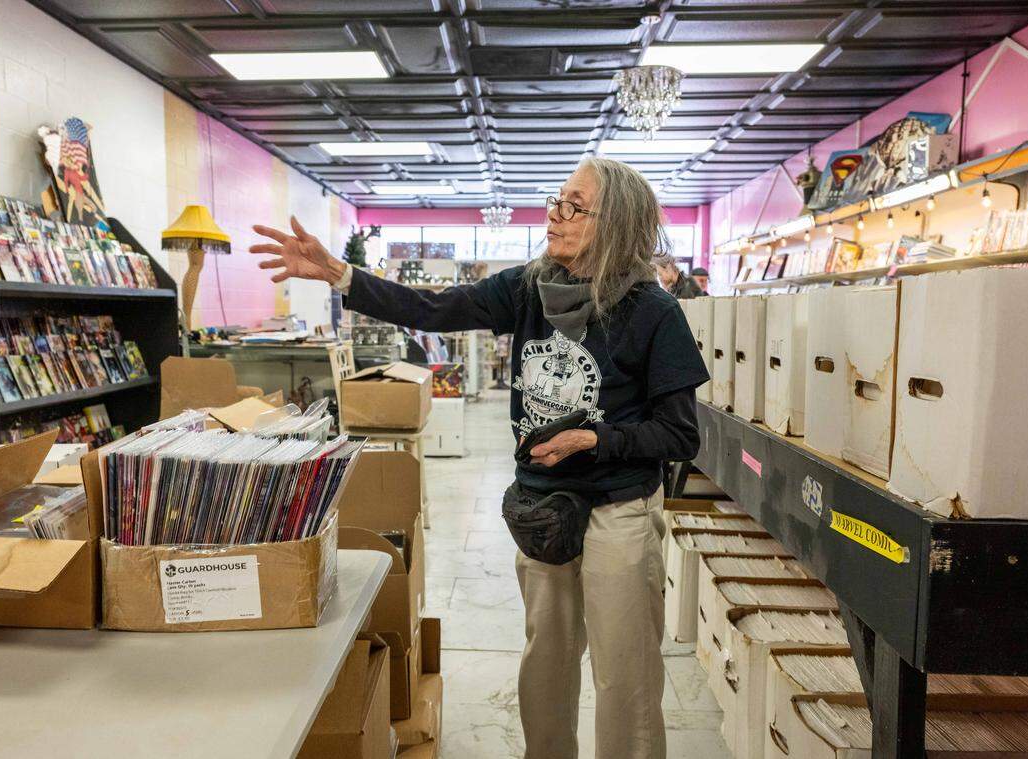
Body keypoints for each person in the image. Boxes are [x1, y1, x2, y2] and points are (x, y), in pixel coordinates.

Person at [249, 158, 709, 759]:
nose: (555, 213)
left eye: (574, 206)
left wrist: (596, 440)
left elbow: (679, 436)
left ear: (615, 223)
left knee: (626, 669)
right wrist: (339, 275)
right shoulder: (528, 287)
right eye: (556, 199)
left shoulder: (654, 312)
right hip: (544, 506)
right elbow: (432, 309)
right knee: (546, 655)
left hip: (618, 507)